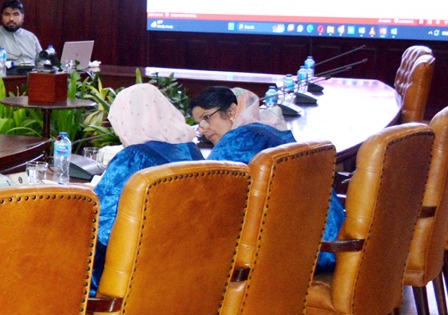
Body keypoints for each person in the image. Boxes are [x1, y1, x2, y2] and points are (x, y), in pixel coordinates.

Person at [192, 85, 344, 272]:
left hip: (306, 254)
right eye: (199, 123)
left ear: (231, 111)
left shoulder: (238, 140)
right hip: (330, 239)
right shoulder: (270, 130)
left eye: (206, 117)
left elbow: (202, 192)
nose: (203, 128)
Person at [93, 83, 203, 280]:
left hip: (132, 273)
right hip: (185, 264)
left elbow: (101, 225)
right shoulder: (191, 151)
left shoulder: (134, 157)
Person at [0, 0, 42, 64]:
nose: (11, 18)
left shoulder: (31, 37)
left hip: (31, 72)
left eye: (16, 14)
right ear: (2, 16)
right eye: (7, 14)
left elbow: (41, 61)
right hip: (7, 73)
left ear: (22, 17)